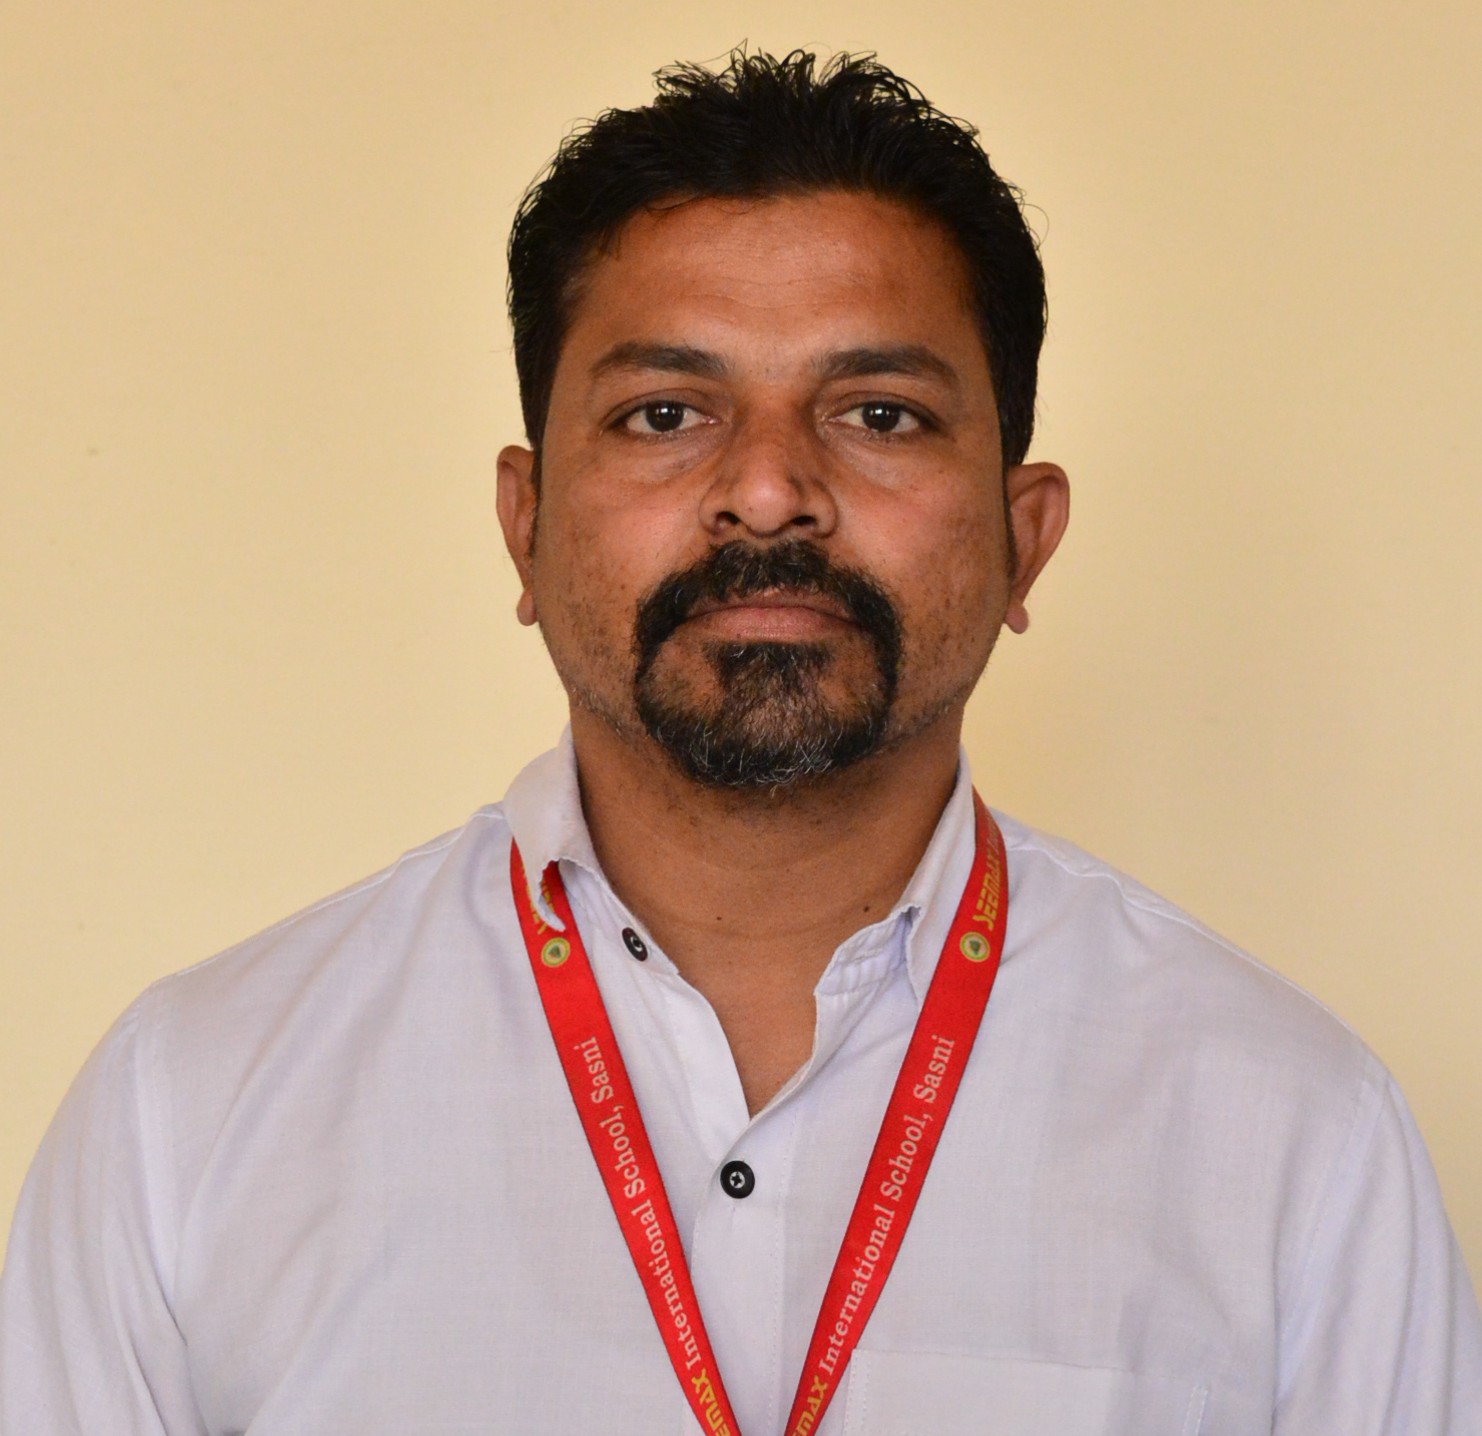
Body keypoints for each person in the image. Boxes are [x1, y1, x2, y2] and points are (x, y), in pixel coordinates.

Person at [2, 48, 1478, 1436]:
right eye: (665, 413)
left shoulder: (1290, 1134)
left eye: (879, 413)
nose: (768, 492)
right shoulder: (192, 1110)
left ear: (1024, 540)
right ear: (524, 524)